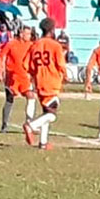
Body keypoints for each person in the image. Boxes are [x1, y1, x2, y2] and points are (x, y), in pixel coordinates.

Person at [22, 18, 67, 150]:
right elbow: (60, 64)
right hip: (51, 82)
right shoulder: (55, 45)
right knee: (52, 114)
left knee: (45, 111)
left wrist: (36, 73)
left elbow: (26, 65)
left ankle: (43, 142)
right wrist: (65, 74)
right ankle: (31, 126)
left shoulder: (34, 45)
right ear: (52, 30)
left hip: (39, 81)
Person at [0, 25, 36, 133]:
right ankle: (4, 125)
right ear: (21, 34)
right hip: (12, 77)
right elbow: (1, 56)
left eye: (30, 34)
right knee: (10, 99)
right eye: (27, 34)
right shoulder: (11, 44)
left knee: (31, 96)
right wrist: (0, 71)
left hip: (25, 77)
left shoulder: (31, 45)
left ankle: (29, 124)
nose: (29, 36)